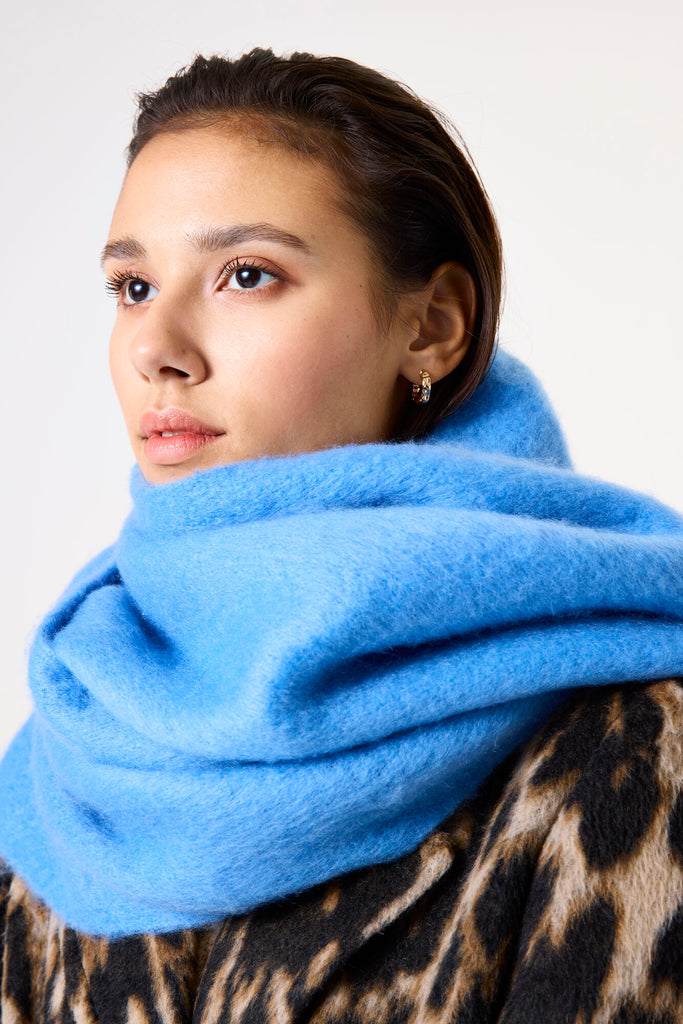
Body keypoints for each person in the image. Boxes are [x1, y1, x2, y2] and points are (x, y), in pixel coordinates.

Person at [0, 48, 682, 1023]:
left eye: (245, 275)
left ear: (431, 327)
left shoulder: (627, 751)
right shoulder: (80, 747)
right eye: (133, 286)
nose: (156, 347)